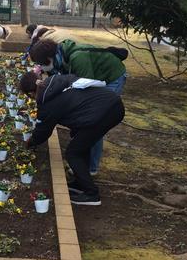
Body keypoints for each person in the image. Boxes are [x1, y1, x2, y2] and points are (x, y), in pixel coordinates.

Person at [20, 72, 125, 206]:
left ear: (30, 93)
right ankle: (81, 181)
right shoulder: (54, 82)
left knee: (73, 153)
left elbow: (43, 131)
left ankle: (92, 194)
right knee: (81, 145)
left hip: (103, 112)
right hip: (110, 102)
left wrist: (31, 142)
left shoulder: (47, 102)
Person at [29, 38, 127, 175]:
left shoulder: (78, 58)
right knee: (87, 123)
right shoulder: (60, 57)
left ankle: (90, 168)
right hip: (96, 76)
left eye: (41, 63)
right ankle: (81, 159)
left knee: (96, 122)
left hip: (111, 77)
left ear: (49, 57)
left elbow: (87, 87)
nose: (41, 67)